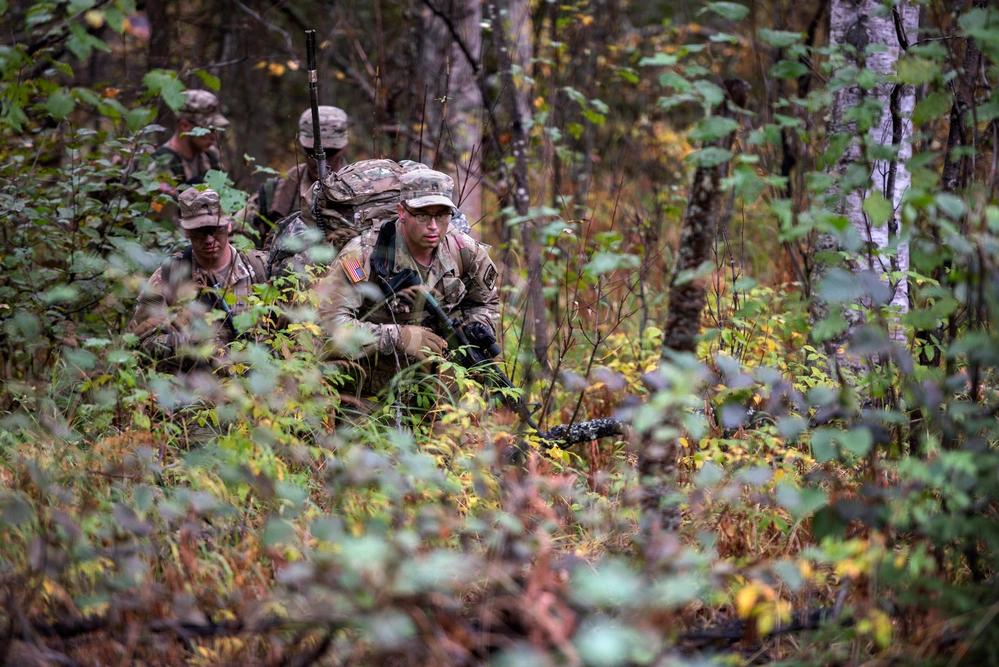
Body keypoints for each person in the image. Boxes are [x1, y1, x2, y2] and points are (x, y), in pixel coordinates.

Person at [316, 169, 500, 401]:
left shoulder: (465, 251)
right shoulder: (362, 256)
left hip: (437, 392)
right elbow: (327, 328)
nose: (433, 226)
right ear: (402, 212)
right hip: (368, 393)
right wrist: (398, 337)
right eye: (422, 215)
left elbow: (486, 302)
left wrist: (472, 330)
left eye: (442, 215)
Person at [126, 187, 268, 372]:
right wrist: (186, 342)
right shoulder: (170, 274)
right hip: (193, 393)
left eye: (216, 229)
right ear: (186, 231)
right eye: (200, 231)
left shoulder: (259, 268)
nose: (209, 239)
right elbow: (136, 343)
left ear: (229, 225)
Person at [236, 106, 348, 248]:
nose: (320, 161)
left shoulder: (363, 191)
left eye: (330, 152)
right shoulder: (275, 192)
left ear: (344, 146)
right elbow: (237, 242)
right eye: (312, 151)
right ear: (302, 146)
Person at [150, 90, 229, 192]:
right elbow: (164, 206)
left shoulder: (210, 155)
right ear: (185, 126)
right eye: (208, 129)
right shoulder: (162, 163)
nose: (214, 136)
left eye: (216, 129)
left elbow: (228, 199)